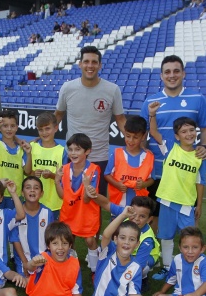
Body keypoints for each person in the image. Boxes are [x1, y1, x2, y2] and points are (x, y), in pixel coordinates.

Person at [140, 55, 206, 278]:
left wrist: (204, 147)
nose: (172, 75)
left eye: (176, 71)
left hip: (186, 175)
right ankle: (160, 262)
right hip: (158, 174)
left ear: (183, 73)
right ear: (161, 75)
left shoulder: (197, 99)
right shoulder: (150, 102)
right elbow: (147, 134)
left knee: (189, 226)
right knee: (159, 223)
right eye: (167, 71)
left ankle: (190, 266)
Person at [54, 46, 125, 194]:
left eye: (94, 62)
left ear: (100, 65)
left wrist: (136, 141)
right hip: (73, 156)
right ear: (80, 64)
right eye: (86, 61)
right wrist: (41, 138)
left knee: (95, 202)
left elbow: (121, 120)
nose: (90, 66)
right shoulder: (68, 88)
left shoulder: (112, 90)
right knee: (70, 199)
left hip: (99, 156)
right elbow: (57, 116)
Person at [148, 107, 206, 280]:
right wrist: (152, 114)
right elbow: (153, 130)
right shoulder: (170, 147)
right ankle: (167, 268)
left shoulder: (199, 155)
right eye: (184, 131)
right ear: (176, 135)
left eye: (191, 130)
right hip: (167, 201)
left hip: (187, 204)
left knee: (190, 238)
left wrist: (199, 205)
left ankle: (189, 270)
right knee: (166, 237)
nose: (188, 134)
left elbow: (200, 181)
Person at [55, 133, 101, 272]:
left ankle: (94, 269)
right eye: (70, 149)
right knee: (67, 239)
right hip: (69, 212)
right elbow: (64, 196)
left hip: (86, 212)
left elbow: (87, 200)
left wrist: (86, 187)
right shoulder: (64, 169)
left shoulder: (93, 170)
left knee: (90, 240)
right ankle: (70, 264)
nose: (73, 153)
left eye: (77, 149)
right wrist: (56, 181)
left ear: (87, 151)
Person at [103, 115, 154, 207]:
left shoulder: (148, 156)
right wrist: (117, 184)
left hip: (139, 206)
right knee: (118, 221)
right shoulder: (117, 153)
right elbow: (107, 174)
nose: (131, 140)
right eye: (128, 136)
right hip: (118, 204)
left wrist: (143, 184)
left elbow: (152, 179)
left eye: (135, 137)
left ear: (143, 137)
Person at [0, 109, 32, 208]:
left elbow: (28, 171)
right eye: (5, 126)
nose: (9, 129)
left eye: (12, 126)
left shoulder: (21, 148)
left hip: (16, 195)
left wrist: (29, 154)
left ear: (17, 128)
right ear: (0, 128)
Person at [12, 176, 54, 276]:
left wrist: (47, 257)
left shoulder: (47, 213)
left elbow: (52, 239)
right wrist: (25, 262)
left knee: (46, 282)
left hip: (44, 258)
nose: (32, 190)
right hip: (24, 258)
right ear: (22, 192)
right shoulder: (16, 213)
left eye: (36, 188)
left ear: (41, 193)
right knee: (27, 284)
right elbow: (15, 240)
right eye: (28, 187)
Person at [27, 112, 66, 218]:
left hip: (55, 203)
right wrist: (33, 173)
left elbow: (65, 178)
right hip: (33, 201)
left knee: (53, 233)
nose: (44, 133)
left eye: (47, 128)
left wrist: (52, 176)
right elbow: (26, 172)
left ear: (56, 128)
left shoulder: (62, 151)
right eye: (40, 129)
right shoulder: (32, 147)